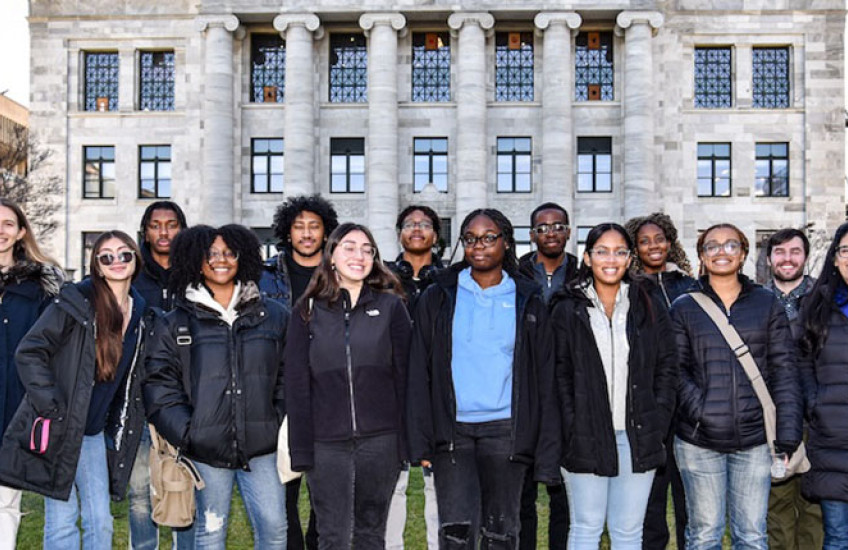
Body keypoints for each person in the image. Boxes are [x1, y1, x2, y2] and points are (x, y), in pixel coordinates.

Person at [407, 208, 560, 549]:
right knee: (456, 532)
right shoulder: (438, 296)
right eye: (471, 238)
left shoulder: (528, 300)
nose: (479, 245)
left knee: (502, 532)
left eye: (489, 237)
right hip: (452, 434)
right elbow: (420, 370)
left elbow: (545, 379)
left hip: (506, 432)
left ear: (506, 243)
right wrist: (421, 439)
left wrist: (546, 449)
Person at [143, 225, 288, 549]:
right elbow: (158, 383)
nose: (220, 260)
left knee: (275, 530)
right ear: (196, 261)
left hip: (262, 449)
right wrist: (189, 432)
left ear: (243, 257)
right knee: (209, 534)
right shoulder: (175, 322)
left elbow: (288, 374)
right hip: (205, 451)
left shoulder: (274, 316)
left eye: (228, 252)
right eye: (210, 254)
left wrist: (275, 419)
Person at [0, 230, 147, 549]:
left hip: (93, 433)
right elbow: (30, 350)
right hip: (60, 427)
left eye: (124, 254)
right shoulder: (75, 303)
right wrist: (50, 405)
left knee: (100, 524)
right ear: (96, 265)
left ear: (135, 257)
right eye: (106, 256)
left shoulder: (140, 313)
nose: (117, 261)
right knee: (63, 524)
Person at [671, 223, 802, 550]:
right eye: (711, 246)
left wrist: (786, 434)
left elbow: (784, 370)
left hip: (755, 440)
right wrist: (701, 410)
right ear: (701, 255)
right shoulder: (684, 307)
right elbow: (674, 370)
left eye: (730, 245)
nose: (721, 252)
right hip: (698, 441)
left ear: (743, 254)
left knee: (752, 536)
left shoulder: (766, 303)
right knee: (703, 535)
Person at [284, 223, 412, 550]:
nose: (359, 255)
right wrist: (301, 449)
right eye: (350, 247)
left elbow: (406, 377)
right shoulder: (307, 310)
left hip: (381, 441)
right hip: (326, 444)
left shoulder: (391, 307)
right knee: (332, 535)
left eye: (367, 249)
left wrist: (407, 440)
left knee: (371, 533)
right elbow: (297, 385)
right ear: (332, 255)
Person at [552, 223, 677, 549]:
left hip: (637, 436)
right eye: (602, 251)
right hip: (584, 436)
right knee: (585, 527)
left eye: (619, 251)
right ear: (587, 257)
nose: (611, 259)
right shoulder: (567, 308)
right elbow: (558, 374)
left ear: (629, 258)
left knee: (627, 532)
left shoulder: (648, 304)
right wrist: (570, 424)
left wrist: (658, 420)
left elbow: (667, 368)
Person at [259, 194, 338, 550]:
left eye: (314, 227)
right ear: (287, 232)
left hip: (328, 393)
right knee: (283, 493)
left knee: (326, 493)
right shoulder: (263, 276)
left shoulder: (342, 273)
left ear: (325, 232)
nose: (307, 234)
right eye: (299, 227)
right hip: (278, 391)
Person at [624, 212, 695, 550]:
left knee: (689, 497)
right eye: (644, 241)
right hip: (649, 406)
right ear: (635, 248)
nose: (654, 246)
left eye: (659, 239)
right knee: (650, 497)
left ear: (670, 241)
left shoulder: (689, 285)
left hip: (689, 407)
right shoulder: (629, 289)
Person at [0, 198, 64, 549]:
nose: (1, 231)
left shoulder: (41, 287)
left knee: (5, 501)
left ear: (22, 231)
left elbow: (52, 349)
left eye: (8, 224)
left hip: (15, 405)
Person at [131, 200, 190, 550]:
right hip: (139, 396)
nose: (164, 232)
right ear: (146, 231)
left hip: (188, 398)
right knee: (141, 488)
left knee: (185, 482)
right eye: (156, 225)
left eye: (172, 224)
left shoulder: (196, 273)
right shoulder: (132, 273)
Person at [517, 202, 576, 550]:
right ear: (532, 235)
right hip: (524, 395)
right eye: (542, 227)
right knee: (520, 494)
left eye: (557, 226)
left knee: (565, 497)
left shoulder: (586, 276)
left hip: (570, 396)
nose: (550, 232)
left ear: (568, 232)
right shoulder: (515, 277)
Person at [385, 205, 443, 550]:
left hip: (438, 396)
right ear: (399, 233)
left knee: (440, 484)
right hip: (392, 395)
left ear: (436, 235)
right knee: (394, 484)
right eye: (409, 224)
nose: (417, 229)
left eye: (425, 224)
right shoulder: (383, 280)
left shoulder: (451, 281)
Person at [762, 228, 823, 550]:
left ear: (806, 256)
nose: (788, 259)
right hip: (772, 417)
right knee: (777, 502)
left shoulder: (825, 299)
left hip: (819, 416)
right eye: (780, 252)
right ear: (769, 258)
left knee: (815, 504)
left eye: (795, 252)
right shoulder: (756, 300)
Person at [795, 221, 848, 550]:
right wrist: (815, 402)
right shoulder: (818, 305)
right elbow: (801, 362)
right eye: (846, 250)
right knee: (838, 536)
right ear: (835, 257)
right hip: (832, 440)